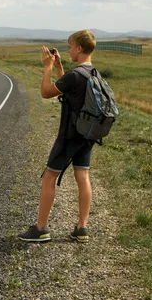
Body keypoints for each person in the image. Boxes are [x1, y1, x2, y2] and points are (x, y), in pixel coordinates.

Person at [18, 29, 97, 243]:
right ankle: (82, 228)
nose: (68, 49)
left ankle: (41, 228)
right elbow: (69, 92)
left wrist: (47, 67)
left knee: (49, 177)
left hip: (69, 136)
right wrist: (60, 67)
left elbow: (46, 92)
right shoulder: (92, 73)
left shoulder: (75, 75)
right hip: (86, 135)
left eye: (70, 46)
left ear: (79, 48)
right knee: (83, 177)